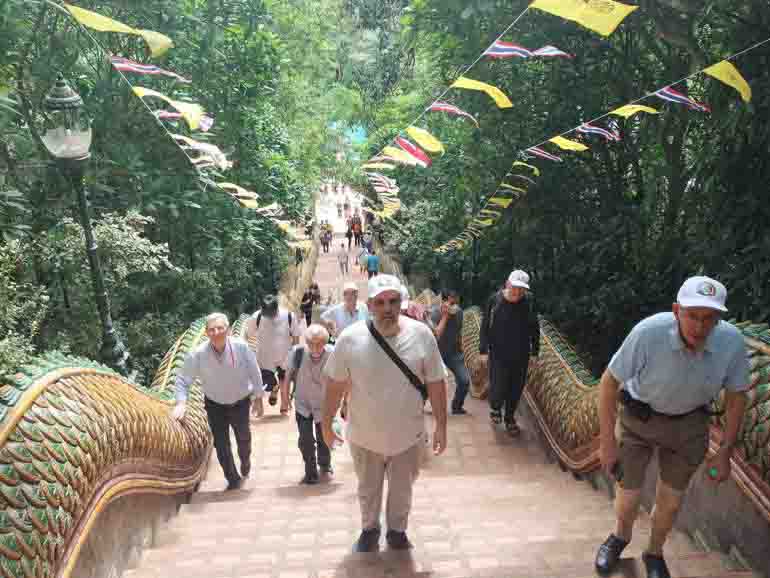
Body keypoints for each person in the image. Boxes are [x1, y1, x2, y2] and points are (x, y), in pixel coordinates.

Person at [594, 276, 749, 578]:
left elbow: (737, 396)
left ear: (718, 319)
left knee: (670, 504)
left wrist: (725, 451)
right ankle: (619, 537)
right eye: (692, 316)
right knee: (628, 500)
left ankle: (654, 552)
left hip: (689, 426)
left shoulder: (730, 342)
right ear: (677, 310)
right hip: (639, 421)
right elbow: (609, 382)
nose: (700, 327)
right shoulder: (648, 333)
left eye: (709, 318)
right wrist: (607, 442)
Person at [322, 274, 448, 553]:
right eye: (380, 303)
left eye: (393, 301)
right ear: (369, 305)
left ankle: (397, 531)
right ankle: (369, 529)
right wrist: (326, 424)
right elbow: (334, 384)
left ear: (401, 302)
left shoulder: (421, 335)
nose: (387, 308)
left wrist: (441, 425)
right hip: (365, 435)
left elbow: (436, 382)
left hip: (408, 434)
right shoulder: (350, 339)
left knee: (403, 488)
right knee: (368, 488)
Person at [172, 313, 263, 490]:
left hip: (240, 402)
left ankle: (245, 460)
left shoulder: (241, 347)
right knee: (221, 445)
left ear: (228, 330)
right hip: (215, 405)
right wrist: (181, 403)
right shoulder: (198, 354)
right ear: (206, 333)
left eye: (220, 328)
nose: (216, 332)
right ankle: (233, 479)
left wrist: (258, 397)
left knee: (244, 438)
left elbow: (254, 370)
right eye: (212, 330)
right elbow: (182, 380)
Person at [479, 270, 539, 436]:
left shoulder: (529, 302)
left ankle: (510, 418)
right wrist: (483, 350)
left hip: (521, 354)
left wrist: (535, 352)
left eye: (522, 289)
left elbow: (535, 327)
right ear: (507, 284)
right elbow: (485, 325)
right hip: (498, 353)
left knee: (516, 388)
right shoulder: (495, 300)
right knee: (498, 385)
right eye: (515, 287)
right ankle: (496, 407)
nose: (518, 292)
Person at [280, 324, 335, 484]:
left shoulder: (332, 354)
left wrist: (343, 401)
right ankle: (310, 471)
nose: (315, 348)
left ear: (325, 342)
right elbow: (287, 377)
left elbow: (342, 377)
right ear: (306, 342)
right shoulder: (297, 353)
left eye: (319, 344)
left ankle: (325, 464)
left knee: (323, 438)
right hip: (303, 403)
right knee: (305, 440)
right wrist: (285, 399)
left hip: (323, 404)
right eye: (311, 343)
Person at [246, 294, 302, 409]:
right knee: (268, 384)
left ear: (277, 309)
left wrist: (295, 353)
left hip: (284, 356)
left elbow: (296, 336)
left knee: (284, 380)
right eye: (267, 314)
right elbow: (249, 334)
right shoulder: (257, 317)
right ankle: (274, 389)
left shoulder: (289, 316)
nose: (269, 317)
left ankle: (284, 404)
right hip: (264, 358)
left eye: (271, 314)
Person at [431, 289, 471, 415]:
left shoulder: (459, 313)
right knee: (431, 382)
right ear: (443, 301)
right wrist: (445, 317)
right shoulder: (434, 314)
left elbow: (458, 332)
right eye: (451, 303)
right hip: (435, 353)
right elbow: (435, 335)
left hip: (453, 353)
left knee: (464, 381)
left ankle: (457, 406)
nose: (454, 307)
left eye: (456, 303)